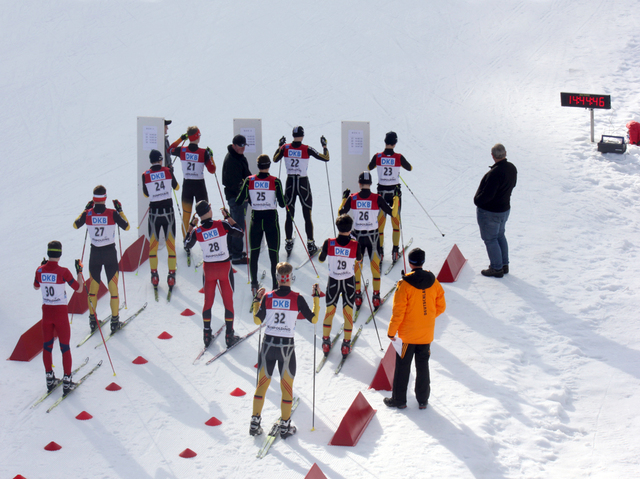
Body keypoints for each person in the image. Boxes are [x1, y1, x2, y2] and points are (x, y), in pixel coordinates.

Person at [249, 262, 320, 438]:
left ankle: (254, 422)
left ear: (277, 277)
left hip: (268, 345)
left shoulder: (269, 296)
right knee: (286, 387)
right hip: (286, 348)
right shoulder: (297, 298)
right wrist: (316, 297)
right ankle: (285, 426)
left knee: (262, 385)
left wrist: (257, 301)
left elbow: (257, 321)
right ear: (290, 278)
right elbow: (314, 318)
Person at [385, 248, 446, 409]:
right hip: (426, 333)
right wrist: (427, 317)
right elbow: (441, 306)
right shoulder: (434, 281)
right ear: (423, 261)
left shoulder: (404, 284)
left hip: (407, 336)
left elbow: (398, 312)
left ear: (410, 263)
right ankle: (423, 400)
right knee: (423, 365)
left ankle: (399, 400)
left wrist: (392, 332)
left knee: (403, 367)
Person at [184, 200, 244, 348]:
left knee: (208, 302)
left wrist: (191, 226)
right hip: (224, 267)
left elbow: (186, 244)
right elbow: (239, 232)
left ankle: (206, 335)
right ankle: (229, 336)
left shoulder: (198, 231)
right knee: (228, 301)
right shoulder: (221, 225)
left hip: (209, 270)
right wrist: (228, 217)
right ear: (210, 210)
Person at [73, 185, 130, 333]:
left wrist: (85, 210)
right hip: (109, 253)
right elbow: (127, 227)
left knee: (93, 288)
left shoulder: (88, 214)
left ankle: (92, 320)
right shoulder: (112, 213)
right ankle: (115, 321)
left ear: (93, 200)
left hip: (95, 253)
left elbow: (75, 224)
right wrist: (120, 211)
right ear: (105, 198)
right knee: (113, 288)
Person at [338, 171, 398, 310]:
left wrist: (344, 199)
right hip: (373, 237)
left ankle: (357, 296)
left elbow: (341, 214)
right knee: (375, 267)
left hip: (357, 237)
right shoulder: (377, 198)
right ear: (370, 184)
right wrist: (396, 197)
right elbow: (393, 213)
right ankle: (376, 297)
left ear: (359, 183)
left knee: (357, 266)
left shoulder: (353, 198)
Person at [34, 241, 84, 395]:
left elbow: (36, 286)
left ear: (48, 254)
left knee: (47, 346)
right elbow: (79, 289)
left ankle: (49, 378)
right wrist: (79, 271)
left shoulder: (40, 270)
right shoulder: (63, 271)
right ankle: (67, 380)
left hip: (47, 313)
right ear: (60, 254)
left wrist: (41, 267)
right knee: (64, 347)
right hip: (61, 314)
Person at [273, 126, 330, 257]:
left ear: (292, 135)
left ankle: (288, 242)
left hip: (290, 184)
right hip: (303, 183)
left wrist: (280, 145)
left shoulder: (285, 148)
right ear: (302, 136)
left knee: (289, 214)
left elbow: (275, 159)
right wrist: (324, 146)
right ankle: (310, 244)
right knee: (307, 215)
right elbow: (326, 158)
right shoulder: (307, 148)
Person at [235, 154, 286, 294]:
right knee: (273, 254)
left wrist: (245, 192)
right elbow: (282, 204)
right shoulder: (275, 181)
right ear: (269, 165)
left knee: (255, 253)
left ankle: (254, 285)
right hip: (271, 219)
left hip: (256, 219)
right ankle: (276, 287)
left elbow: (239, 201)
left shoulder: (249, 180)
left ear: (258, 166)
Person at [318, 214, 362, 357]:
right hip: (348, 281)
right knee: (348, 314)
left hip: (333, 282)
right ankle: (346, 344)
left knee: (329, 312)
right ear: (350, 228)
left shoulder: (329, 243)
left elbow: (321, 259)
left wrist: (325, 251)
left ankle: (325, 342)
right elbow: (359, 260)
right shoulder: (355, 244)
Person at [473, 143, 517, 278]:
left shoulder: (495, 173)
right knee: (500, 236)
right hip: (504, 209)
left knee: (491, 239)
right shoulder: (511, 168)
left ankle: (496, 268)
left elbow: (487, 195)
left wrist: (477, 200)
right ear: (505, 153)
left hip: (490, 212)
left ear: (492, 156)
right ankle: (504, 264)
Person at [367, 131, 412, 262]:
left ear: (385, 142)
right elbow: (409, 168)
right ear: (395, 143)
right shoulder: (398, 157)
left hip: (381, 192)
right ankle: (395, 251)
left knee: (380, 222)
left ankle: (380, 251)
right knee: (395, 222)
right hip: (394, 193)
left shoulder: (378, 156)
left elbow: (369, 167)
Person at [167, 125, 216, 243]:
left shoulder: (182, 150)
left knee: (186, 216)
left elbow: (169, 149)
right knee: (205, 215)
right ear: (197, 137)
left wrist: (181, 138)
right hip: (200, 186)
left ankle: (186, 241)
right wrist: (211, 157)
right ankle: (208, 240)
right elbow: (212, 170)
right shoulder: (203, 152)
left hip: (187, 185)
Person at [142, 149, 180, 290]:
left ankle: (154, 275)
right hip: (168, 212)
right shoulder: (167, 171)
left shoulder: (145, 174)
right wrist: (171, 172)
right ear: (160, 159)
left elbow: (146, 194)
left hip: (154, 214)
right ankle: (171, 276)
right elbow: (176, 187)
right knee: (171, 245)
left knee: (153, 245)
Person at [222, 134, 252, 264]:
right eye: (240, 146)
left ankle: (231, 251)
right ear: (234, 145)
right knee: (238, 226)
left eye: (244, 145)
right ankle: (237, 255)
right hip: (236, 198)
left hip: (238, 197)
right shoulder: (231, 160)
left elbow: (246, 174)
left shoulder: (239, 157)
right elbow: (230, 182)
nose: (243, 148)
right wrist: (242, 195)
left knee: (233, 224)